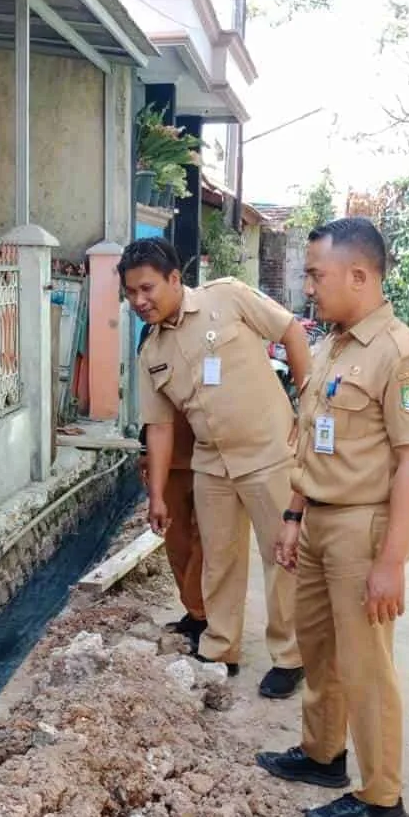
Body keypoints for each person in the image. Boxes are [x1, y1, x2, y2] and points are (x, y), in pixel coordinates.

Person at [258, 217, 409, 817]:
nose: (308, 286)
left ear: (359, 276)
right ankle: (321, 756)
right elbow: (313, 441)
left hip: (362, 530)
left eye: (316, 274)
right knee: (320, 650)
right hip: (317, 524)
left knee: (365, 664)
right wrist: (293, 515)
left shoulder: (402, 357)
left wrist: (392, 561)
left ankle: (382, 796)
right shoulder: (334, 343)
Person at [124, 236, 309, 700]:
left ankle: (290, 657)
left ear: (173, 279)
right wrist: (158, 495)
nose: (139, 301)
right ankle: (220, 648)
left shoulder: (227, 297)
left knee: (282, 559)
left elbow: (291, 332)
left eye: (146, 289)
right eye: (130, 293)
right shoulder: (151, 353)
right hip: (211, 463)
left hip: (269, 452)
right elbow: (161, 428)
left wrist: (307, 403)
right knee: (220, 559)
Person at [136, 323, 207, 637]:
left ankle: (202, 612)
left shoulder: (206, 333)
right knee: (176, 542)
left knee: (206, 541)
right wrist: (146, 455)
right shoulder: (149, 339)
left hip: (210, 457)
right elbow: (151, 412)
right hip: (169, 459)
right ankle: (194, 612)